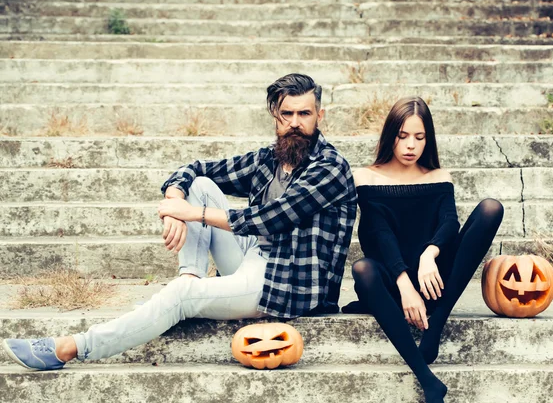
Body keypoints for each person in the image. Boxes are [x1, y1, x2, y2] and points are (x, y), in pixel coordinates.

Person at [2, 73, 357, 371]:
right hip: (255, 257)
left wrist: (194, 214)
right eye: (287, 114)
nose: (295, 123)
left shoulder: (329, 168)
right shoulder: (270, 157)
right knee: (200, 186)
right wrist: (175, 197)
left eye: (304, 114)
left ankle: (71, 347)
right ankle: (190, 277)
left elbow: (271, 218)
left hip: (287, 284)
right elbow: (198, 169)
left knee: (183, 285)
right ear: (274, 115)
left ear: (319, 115)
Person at [342, 97, 503, 403]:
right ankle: (430, 382)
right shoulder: (366, 178)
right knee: (362, 269)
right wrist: (403, 280)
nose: (411, 145)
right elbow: (377, 233)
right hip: (391, 275)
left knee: (491, 209)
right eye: (403, 136)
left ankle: (436, 325)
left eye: (419, 136)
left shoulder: (438, 176)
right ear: (390, 136)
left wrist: (430, 253)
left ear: (428, 138)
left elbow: (449, 223)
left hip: (434, 279)